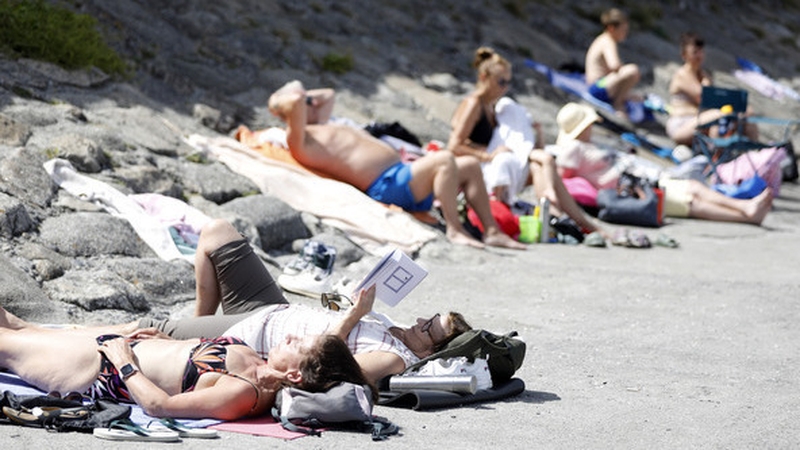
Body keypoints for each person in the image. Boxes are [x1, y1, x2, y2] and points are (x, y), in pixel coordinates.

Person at [86, 218, 473, 384]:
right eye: (428, 317)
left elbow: (328, 368)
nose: (420, 320)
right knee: (217, 233)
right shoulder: (394, 330)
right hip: (275, 307)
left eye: (428, 328)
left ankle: (185, 341)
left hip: (258, 335)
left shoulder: (395, 359)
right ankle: (196, 343)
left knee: (152, 329)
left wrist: (355, 314)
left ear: (429, 354)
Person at [267, 80, 526, 250]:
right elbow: (293, 102)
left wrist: (303, 96)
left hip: (400, 176)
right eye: (302, 99)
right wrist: (293, 95)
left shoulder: (319, 127)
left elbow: (328, 94)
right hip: (386, 184)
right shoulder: (298, 140)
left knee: (469, 164)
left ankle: (491, 230)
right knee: (445, 158)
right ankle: (454, 229)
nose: (310, 101)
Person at [0, 306, 372, 420]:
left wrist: (125, 362)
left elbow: (160, 407)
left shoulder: (243, 392)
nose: (289, 337)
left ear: (294, 374)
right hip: (116, 347)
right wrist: (169, 342)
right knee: (14, 324)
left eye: (297, 344)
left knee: (5, 341)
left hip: (99, 367)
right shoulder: (255, 359)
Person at [448, 46, 602, 235]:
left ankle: (560, 218)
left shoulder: (491, 106)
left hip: (493, 164)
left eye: (507, 83)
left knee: (540, 164)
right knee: (541, 161)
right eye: (500, 82)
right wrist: (488, 155)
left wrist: (537, 134)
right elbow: (454, 145)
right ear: (483, 78)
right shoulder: (473, 104)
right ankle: (571, 220)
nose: (504, 88)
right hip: (480, 168)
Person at [554, 102, 773, 225]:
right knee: (691, 202)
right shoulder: (573, 148)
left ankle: (745, 209)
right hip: (634, 187)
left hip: (641, 179)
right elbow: (565, 179)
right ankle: (746, 211)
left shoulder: (586, 145)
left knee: (693, 193)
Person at [666, 32, 759, 145]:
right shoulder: (682, 75)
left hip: (700, 121)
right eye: (695, 52)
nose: (699, 56)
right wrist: (706, 82)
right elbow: (703, 99)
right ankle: (715, 154)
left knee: (746, 111)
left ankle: (754, 148)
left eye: (701, 52)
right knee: (721, 115)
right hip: (682, 124)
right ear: (684, 55)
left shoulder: (703, 74)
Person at [585, 8, 641, 115]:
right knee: (633, 70)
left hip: (600, 85)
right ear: (611, 28)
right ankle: (618, 104)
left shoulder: (603, 39)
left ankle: (621, 99)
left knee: (634, 95)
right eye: (623, 30)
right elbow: (614, 65)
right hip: (597, 87)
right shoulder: (608, 41)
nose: (625, 34)